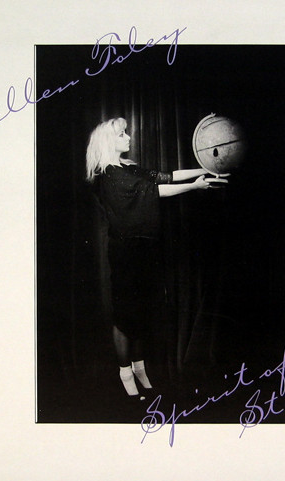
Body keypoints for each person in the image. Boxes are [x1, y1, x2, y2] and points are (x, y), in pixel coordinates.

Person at [85, 117, 214, 402]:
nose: (128, 137)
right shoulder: (108, 174)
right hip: (125, 253)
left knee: (143, 312)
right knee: (125, 316)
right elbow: (156, 191)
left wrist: (207, 168)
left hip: (145, 251)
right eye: (122, 134)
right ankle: (125, 374)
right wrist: (195, 186)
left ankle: (140, 369)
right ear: (108, 141)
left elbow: (166, 176)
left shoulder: (128, 167)